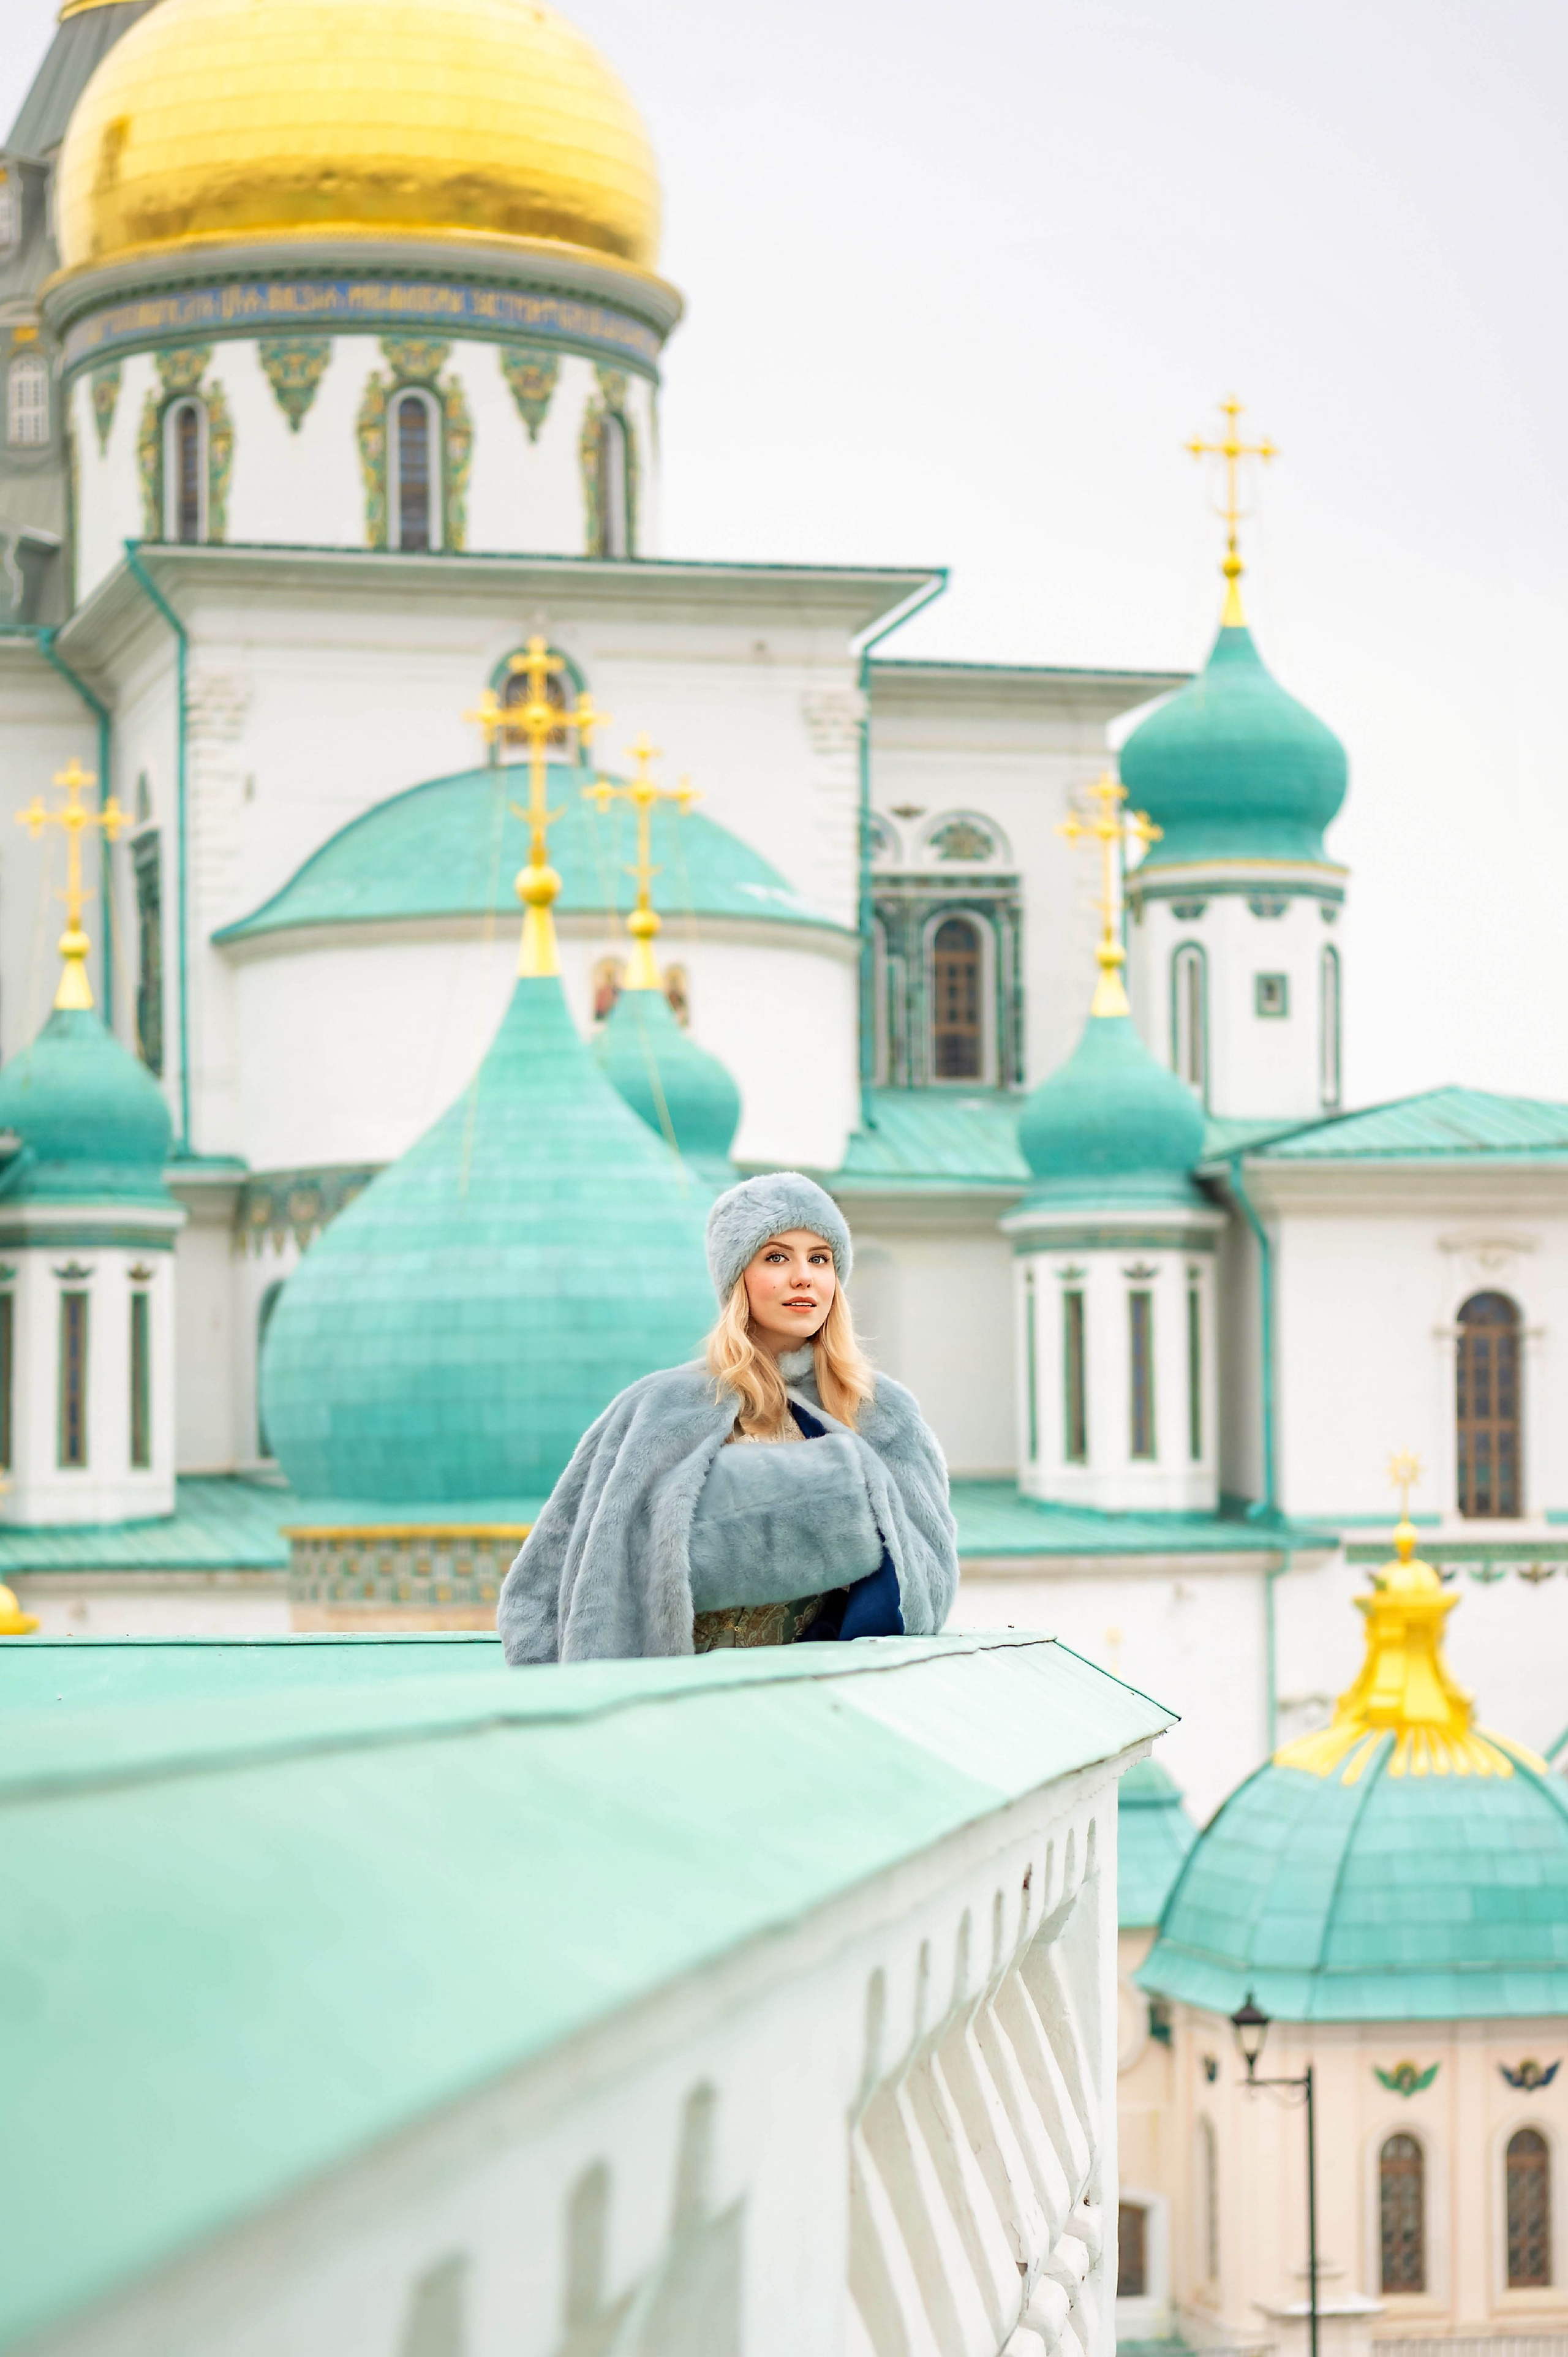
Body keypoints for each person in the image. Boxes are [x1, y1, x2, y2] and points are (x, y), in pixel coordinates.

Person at [497, 1172, 959, 1662]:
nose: (803, 1276)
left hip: (819, 1685)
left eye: (820, 1258)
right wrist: (835, 1499)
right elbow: (548, 1576)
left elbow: (929, 1577)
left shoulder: (883, 1412)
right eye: (777, 1257)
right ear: (738, 1276)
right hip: (676, 1691)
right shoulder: (659, 1408)